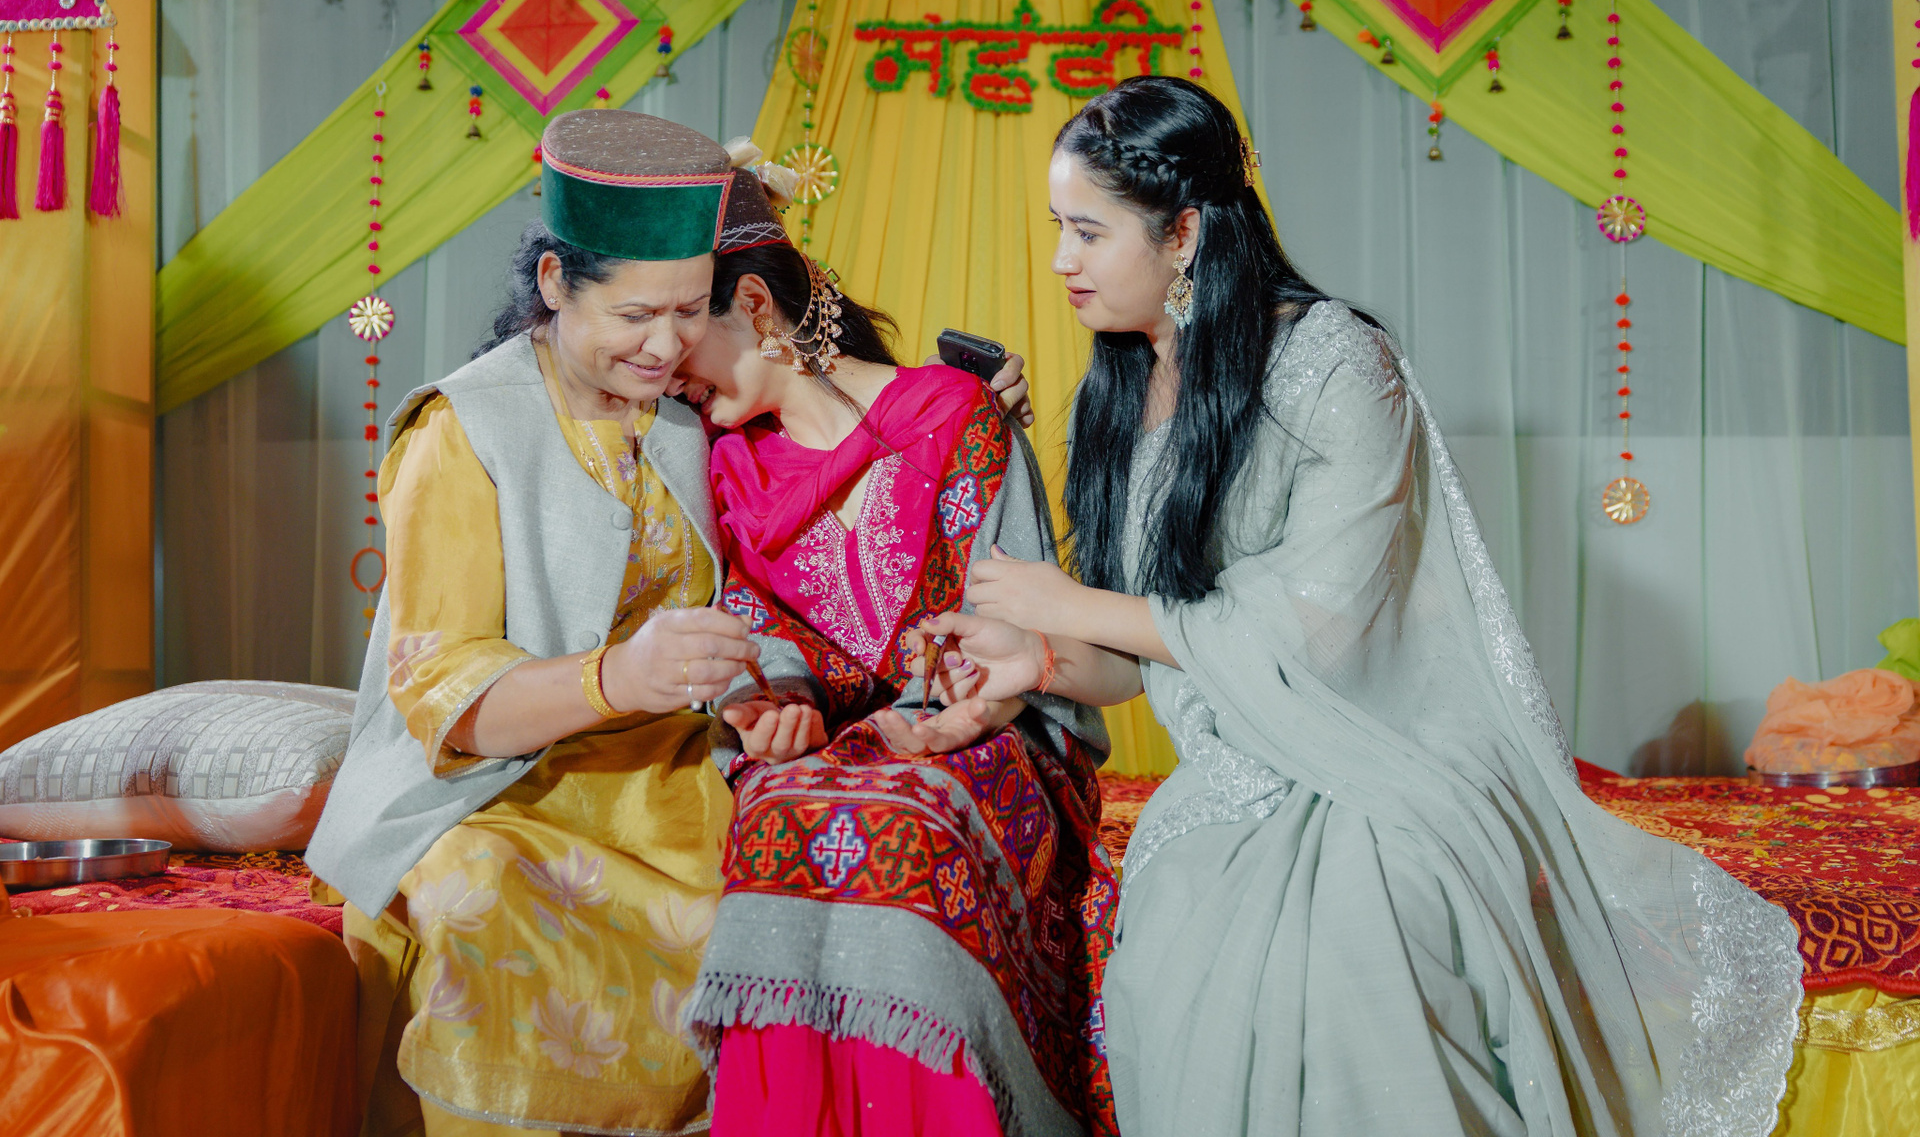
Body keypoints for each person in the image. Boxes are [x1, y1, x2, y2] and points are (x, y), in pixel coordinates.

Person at [913, 77, 1804, 1137]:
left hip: (1383, 751)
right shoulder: (1117, 392)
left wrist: (1077, 603)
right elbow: (1150, 653)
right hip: (1237, 768)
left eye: (1089, 232)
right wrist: (1041, 659)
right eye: (1059, 227)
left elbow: (1319, 630)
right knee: (1181, 917)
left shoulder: (1334, 361)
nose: (1062, 259)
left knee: (1349, 946)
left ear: (1183, 233)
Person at [306, 110, 811, 1137]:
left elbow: (758, 599)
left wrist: (765, 688)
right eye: (635, 314)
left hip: (673, 782)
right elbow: (445, 693)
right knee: (480, 895)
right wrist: (621, 676)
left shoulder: (688, 412)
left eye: (689, 310)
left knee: (791, 899)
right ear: (552, 283)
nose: (666, 344)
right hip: (489, 791)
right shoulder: (461, 429)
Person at [674, 172, 1121, 1136]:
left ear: (754, 304)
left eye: (683, 330)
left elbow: (1025, 619)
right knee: (778, 814)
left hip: (995, 731)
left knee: (907, 822)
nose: (667, 365)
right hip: (838, 742)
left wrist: (967, 701)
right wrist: (777, 701)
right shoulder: (729, 469)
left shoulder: (953, 413)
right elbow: (757, 628)